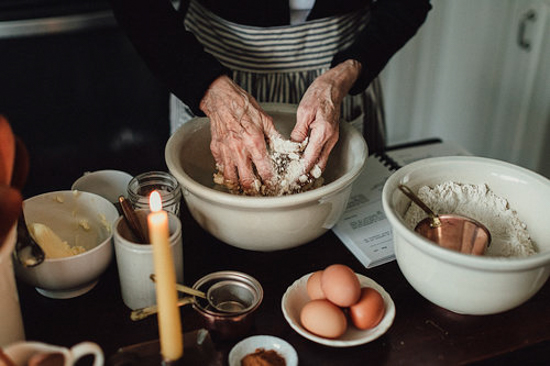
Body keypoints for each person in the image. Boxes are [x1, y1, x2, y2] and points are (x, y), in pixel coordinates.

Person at [110, 0, 431, 194]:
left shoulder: (345, 75)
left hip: (342, 70)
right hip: (211, 64)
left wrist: (347, 72)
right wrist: (209, 90)